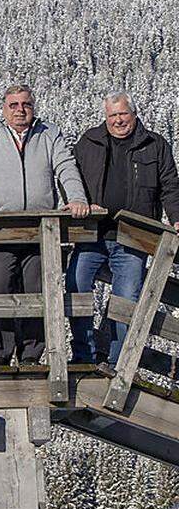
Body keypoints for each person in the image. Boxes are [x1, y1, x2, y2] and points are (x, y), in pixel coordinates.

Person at [0, 84, 89, 366]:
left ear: (33, 107)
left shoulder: (49, 133)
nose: (20, 110)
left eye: (26, 104)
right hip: (0, 229)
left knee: (37, 291)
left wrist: (77, 199)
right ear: (4, 108)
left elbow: (66, 167)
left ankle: (32, 355)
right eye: (14, 105)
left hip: (39, 230)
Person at [69, 92, 179, 366]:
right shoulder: (89, 141)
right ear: (105, 117)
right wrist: (78, 202)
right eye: (113, 116)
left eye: (123, 114)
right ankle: (85, 356)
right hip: (91, 233)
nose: (118, 121)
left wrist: (177, 217)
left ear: (134, 113)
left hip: (133, 238)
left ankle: (117, 364)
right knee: (76, 287)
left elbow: (170, 186)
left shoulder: (154, 145)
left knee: (126, 300)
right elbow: (71, 177)